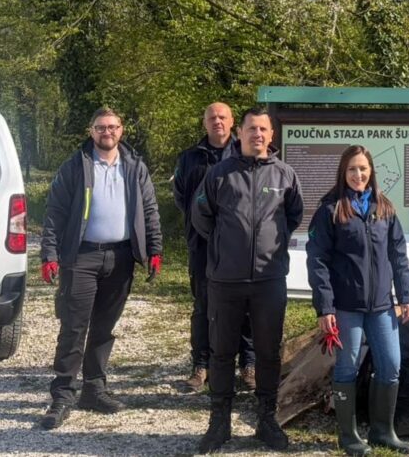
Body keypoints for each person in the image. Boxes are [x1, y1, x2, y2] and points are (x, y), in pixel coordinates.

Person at [38, 107, 163, 430]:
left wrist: (154, 249)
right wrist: (49, 254)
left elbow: (150, 209)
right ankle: (63, 394)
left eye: (112, 126)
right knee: (74, 326)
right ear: (91, 131)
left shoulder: (134, 166)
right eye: (100, 127)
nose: (106, 132)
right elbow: (55, 212)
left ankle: (94, 388)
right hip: (81, 258)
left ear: (121, 130)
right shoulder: (75, 167)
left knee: (104, 327)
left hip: (121, 258)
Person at [191, 108, 304, 453]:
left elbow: (294, 216)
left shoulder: (285, 175)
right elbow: (201, 216)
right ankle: (219, 424)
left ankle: (266, 421)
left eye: (263, 129)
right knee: (222, 352)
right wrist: (228, 249)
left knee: (268, 353)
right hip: (226, 280)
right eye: (251, 128)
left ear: (271, 136)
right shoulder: (218, 174)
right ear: (240, 133)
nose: (257, 134)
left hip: (269, 279)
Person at [306, 145, 409, 457]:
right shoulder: (330, 210)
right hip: (345, 306)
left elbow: (399, 256)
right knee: (346, 367)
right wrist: (325, 307)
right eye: (352, 169)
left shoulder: (385, 208)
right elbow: (317, 262)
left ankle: (383, 431)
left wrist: (406, 295)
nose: (358, 174)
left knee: (391, 365)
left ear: (371, 172)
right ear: (344, 172)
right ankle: (349, 435)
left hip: (382, 306)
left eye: (363, 169)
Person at [173, 102, 256, 393]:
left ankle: (248, 364)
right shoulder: (189, 159)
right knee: (204, 307)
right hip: (202, 245)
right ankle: (201, 366)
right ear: (204, 123)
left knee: (246, 306)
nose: (217, 122)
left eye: (222, 117)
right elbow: (183, 200)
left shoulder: (245, 153)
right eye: (211, 118)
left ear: (232, 122)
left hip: (240, 247)